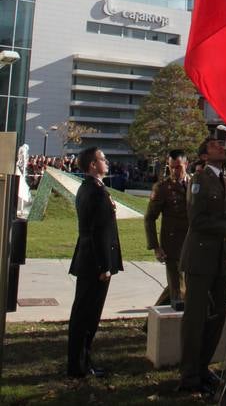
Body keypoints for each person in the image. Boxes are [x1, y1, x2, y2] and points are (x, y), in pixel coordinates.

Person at [178, 137, 226, 394]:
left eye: (220, 145)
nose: (221, 147)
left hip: (221, 259)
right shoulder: (199, 181)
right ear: (203, 156)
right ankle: (189, 376)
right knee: (196, 317)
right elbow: (197, 220)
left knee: (218, 314)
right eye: (214, 145)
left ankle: (203, 367)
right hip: (200, 258)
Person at [67, 147, 123, 378]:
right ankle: (79, 365)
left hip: (88, 259)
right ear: (92, 165)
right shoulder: (96, 192)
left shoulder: (89, 188)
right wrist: (104, 267)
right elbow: (98, 231)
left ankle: (81, 362)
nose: (106, 162)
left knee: (84, 312)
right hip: (95, 263)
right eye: (103, 159)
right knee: (88, 315)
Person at [144, 149, 190, 306]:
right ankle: (175, 327)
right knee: (178, 292)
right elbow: (149, 218)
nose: (175, 171)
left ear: (186, 164)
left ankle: (150, 325)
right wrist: (156, 246)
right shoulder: (163, 188)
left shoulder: (195, 184)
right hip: (172, 246)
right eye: (171, 167)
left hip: (193, 244)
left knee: (181, 286)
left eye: (178, 167)